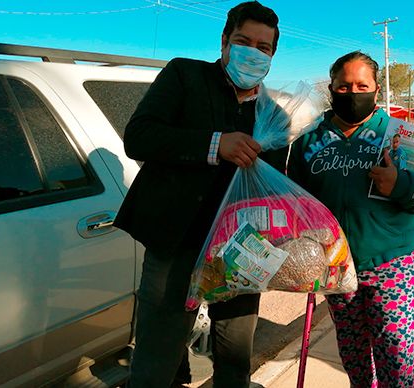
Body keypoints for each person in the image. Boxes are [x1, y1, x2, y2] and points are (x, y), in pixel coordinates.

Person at [113, 2, 288, 387]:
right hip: (177, 244)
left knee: (234, 358)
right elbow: (139, 136)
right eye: (244, 41)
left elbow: (276, 187)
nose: (253, 52)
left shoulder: (275, 115)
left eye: (264, 48)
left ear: (272, 55)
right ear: (225, 42)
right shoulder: (184, 76)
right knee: (157, 358)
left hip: (241, 252)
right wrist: (215, 145)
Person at [287, 51, 414, 387]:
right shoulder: (308, 139)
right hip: (337, 269)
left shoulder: (401, 135)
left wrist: (400, 184)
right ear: (330, 89)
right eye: (343, 86)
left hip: (394, 265)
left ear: (377, 91)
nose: (352, 93)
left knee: (396, 362)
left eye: (362, 85)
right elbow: (296, 201)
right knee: (354, 359)